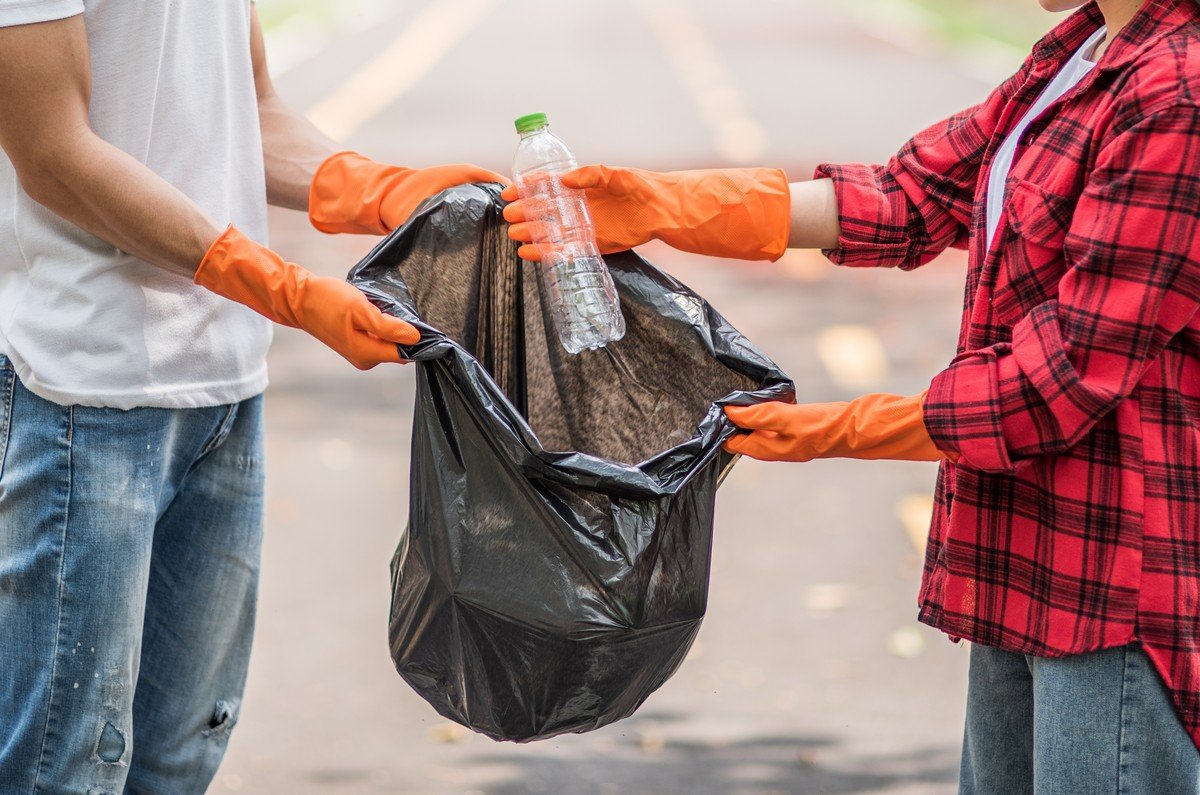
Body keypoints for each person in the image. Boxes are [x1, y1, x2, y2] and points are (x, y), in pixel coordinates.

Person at [505, 0, 1200, 790]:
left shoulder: (1175, 93)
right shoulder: (1077, 54)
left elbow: (1062, 380)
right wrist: (663, 206)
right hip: (1021, 560)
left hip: (1114, 585)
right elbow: (910, 197)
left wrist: (835, 429)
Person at [0, 3, 503, 793]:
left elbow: (251, 109)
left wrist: (383, 191)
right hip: (84, 396)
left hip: (224, 389)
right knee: (62, 768)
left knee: (177, 761)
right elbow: (52, 153)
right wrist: (287, 291)